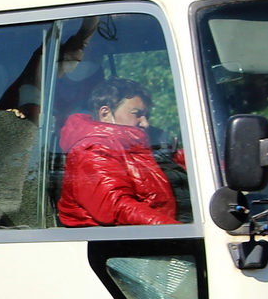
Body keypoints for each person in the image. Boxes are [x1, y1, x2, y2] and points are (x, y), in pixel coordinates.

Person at [57, 78, 179, 227]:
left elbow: (182, 162)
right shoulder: (92, 151)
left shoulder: (141, 145)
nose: (145, 123)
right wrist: (176, 229)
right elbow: (117, 206)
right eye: (136, 114)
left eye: (147, 116)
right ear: (105, 113)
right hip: (123, 244)